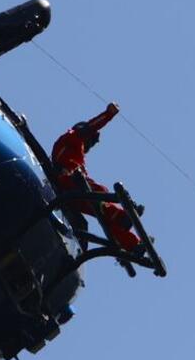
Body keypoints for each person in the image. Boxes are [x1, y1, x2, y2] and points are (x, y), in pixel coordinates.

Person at [49, 103, 144, 254]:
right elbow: (92, 126)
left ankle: (133, 244)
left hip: (75, 193)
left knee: (104, 216)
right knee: (99, 192)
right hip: (68, 182)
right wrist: (108, 114)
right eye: (91, 142)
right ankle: (122, 215)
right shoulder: (71, 137)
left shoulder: (79, 157)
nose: (89, 147)